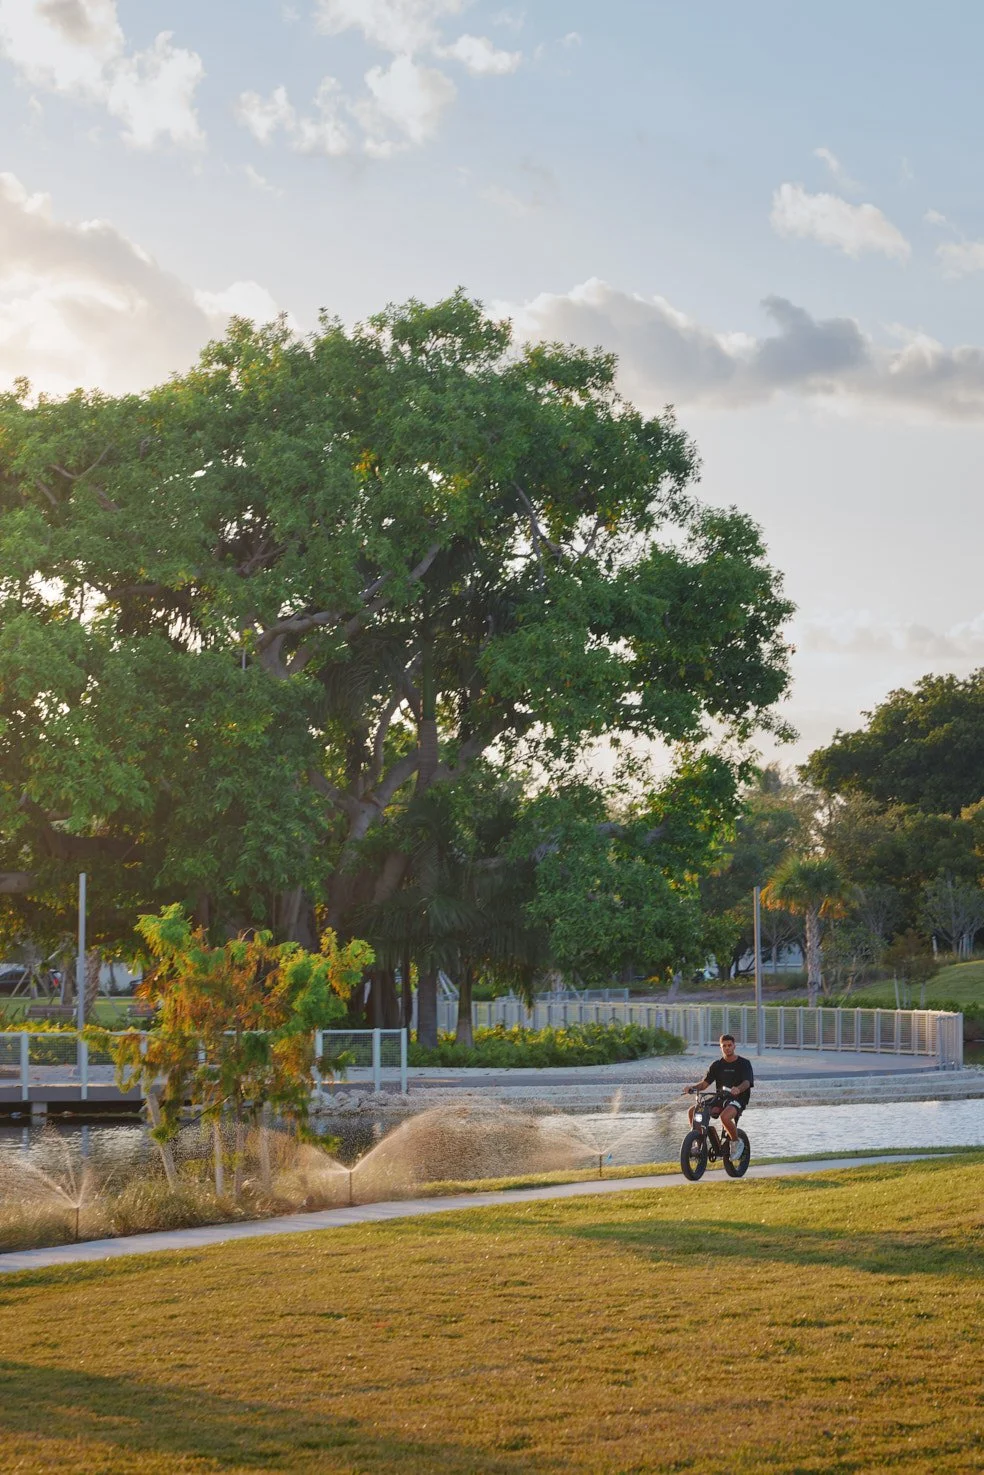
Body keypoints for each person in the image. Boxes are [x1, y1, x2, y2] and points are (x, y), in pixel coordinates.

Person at [684, 1034, 753, 1155]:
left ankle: (736, 1142)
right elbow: (705, 1084)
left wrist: (738, 1089)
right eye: (724, 1046)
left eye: (729, 1045)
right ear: (720, 1047)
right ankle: (698, 1142)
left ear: (734, 1046)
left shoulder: (744, 1063)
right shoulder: (716, 1065)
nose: (727, 1048)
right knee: (693, 1111)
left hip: (738, 1099)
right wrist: (692, 1088)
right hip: (720, 1098)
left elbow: (747, 1082)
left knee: (724, 1117)